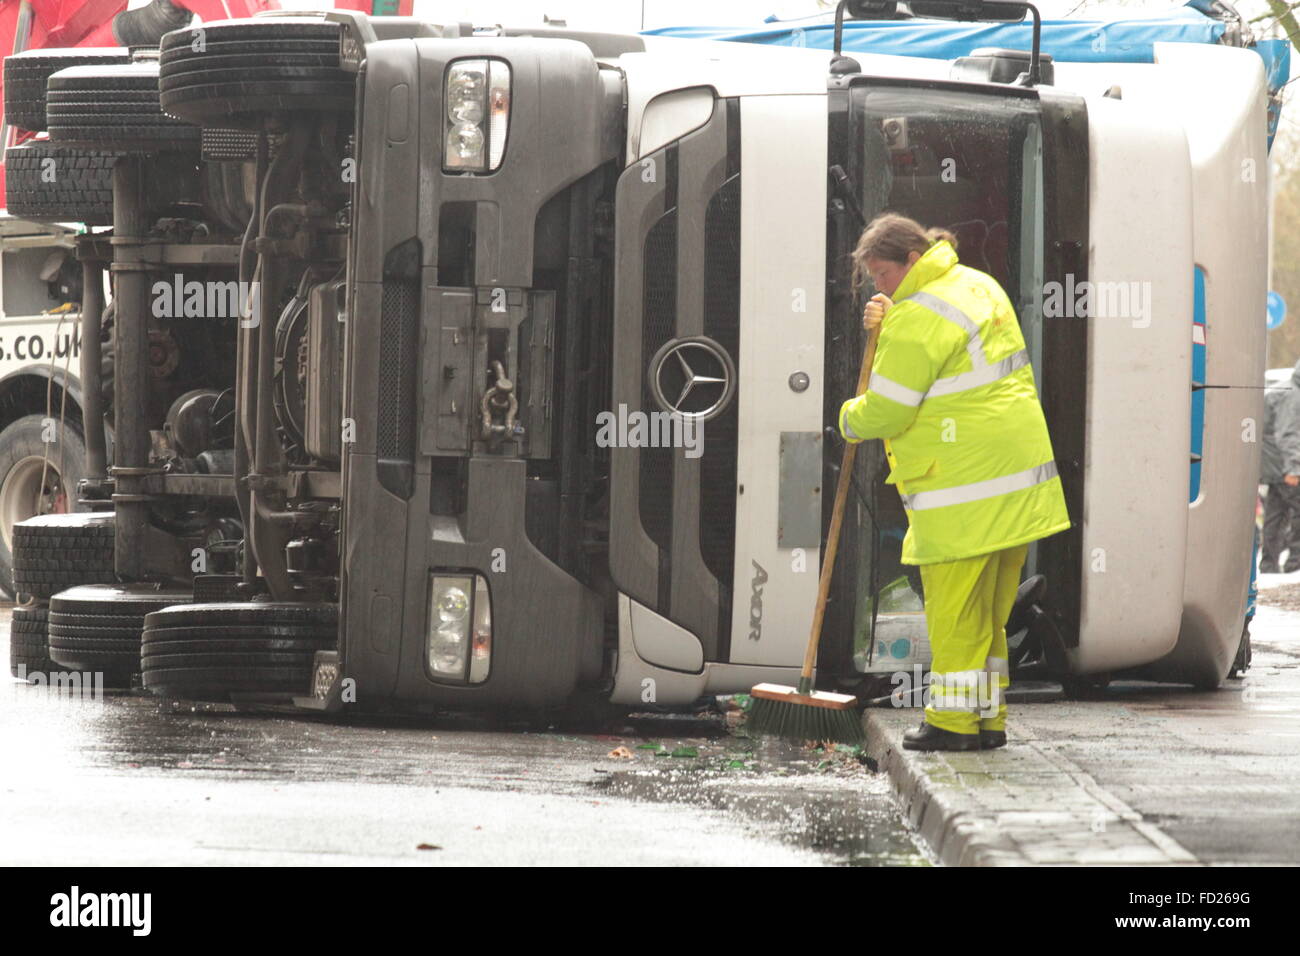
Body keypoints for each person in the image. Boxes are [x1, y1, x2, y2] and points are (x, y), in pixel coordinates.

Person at [838, 213, 1070, 752]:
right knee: (990, 612)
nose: (878, 285)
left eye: (882, 273)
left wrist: (849, 417)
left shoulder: (918, 316)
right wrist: (891, 318)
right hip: (1013, 486)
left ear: (912, 261)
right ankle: (986, 720)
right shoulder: (975, 284)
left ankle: (952, 724)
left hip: (962, 491)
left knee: (955, 612)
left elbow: (888, 412)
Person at [1260, 358, 1300, 574]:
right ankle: (1295, 563)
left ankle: (1268, 564)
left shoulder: (1287, 388)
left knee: (1276, 513)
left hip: (1274, 463)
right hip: (1282, 465)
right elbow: (1287, 434)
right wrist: (1294, 469)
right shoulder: (1293, 394)